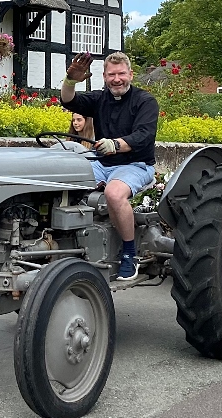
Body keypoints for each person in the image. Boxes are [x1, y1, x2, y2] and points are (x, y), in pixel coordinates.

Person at [61, 51, 159, 281]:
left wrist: (115, 144)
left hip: (136, 164)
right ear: (104, 77)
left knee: (114, 194)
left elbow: (143, 136)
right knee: (64, 184)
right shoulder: (99, 99)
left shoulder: (145, 102)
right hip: (102, 163)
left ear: (131, 75)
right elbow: (69, 100)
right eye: (112, 74)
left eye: (121, 74)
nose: (117, 79)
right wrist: (71, 80)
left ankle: (129, 253)